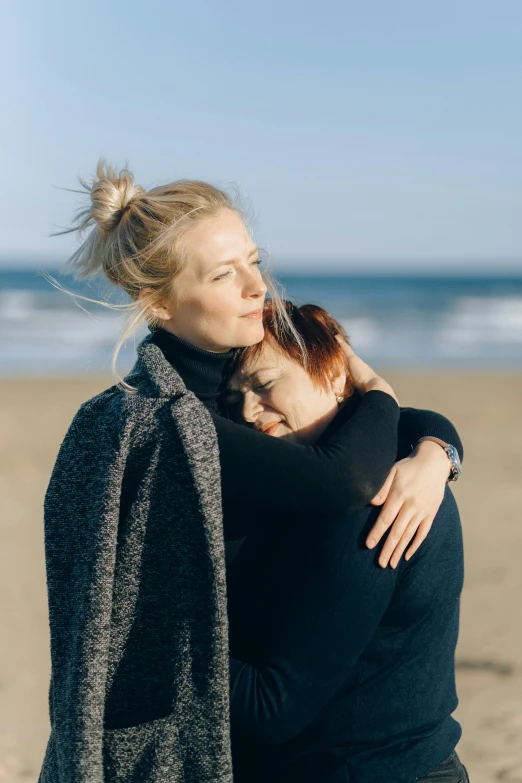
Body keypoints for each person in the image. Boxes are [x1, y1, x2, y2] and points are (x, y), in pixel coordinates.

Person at [40, 162, 463, 783]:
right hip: (186, 736)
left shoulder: (238, 387)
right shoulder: (169, 426)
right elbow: (342, 478)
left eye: (253, 260)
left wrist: (436, 448)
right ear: (159, 301)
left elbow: (339, 441)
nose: (256, 287)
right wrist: (377, 388)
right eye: (223, 274)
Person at [224, 301, 468, 783]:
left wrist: (152, 635)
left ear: (336, 375)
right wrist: (439, 445)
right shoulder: (320, 475)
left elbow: (273, 707)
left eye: (266, 384)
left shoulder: (374, 501)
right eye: (235, 401)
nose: (249, 411)